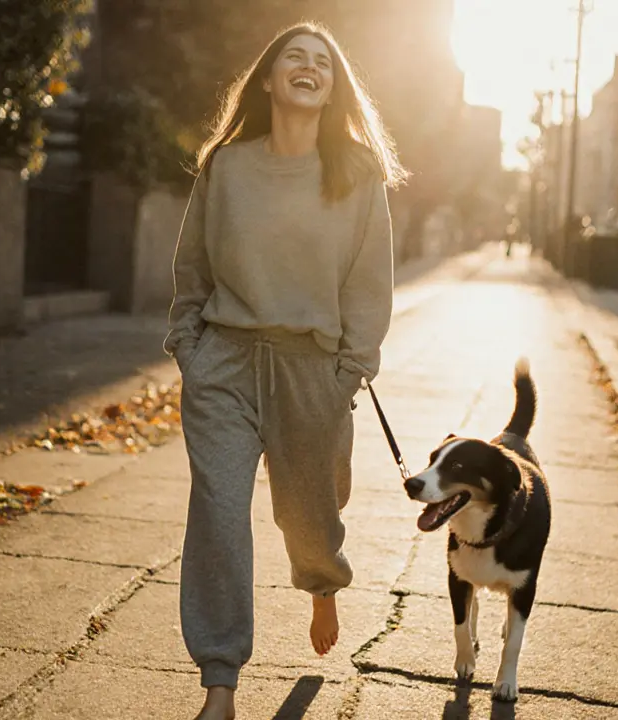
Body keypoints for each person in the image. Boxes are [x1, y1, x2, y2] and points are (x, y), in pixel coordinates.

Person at [162, 22, 407, 720]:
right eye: (292, 58)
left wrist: (348, 372)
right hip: (225, 363)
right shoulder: (227, 167)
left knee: (310, 512)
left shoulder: (357, 175)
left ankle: (321, 582)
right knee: (217, 513)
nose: (307, 67)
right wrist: (189, 345)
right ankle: (220, 682)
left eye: (321, 62)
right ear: (267, 81)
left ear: (334, 89)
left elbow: (369, 285)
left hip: (313, 370)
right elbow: (192, 268)